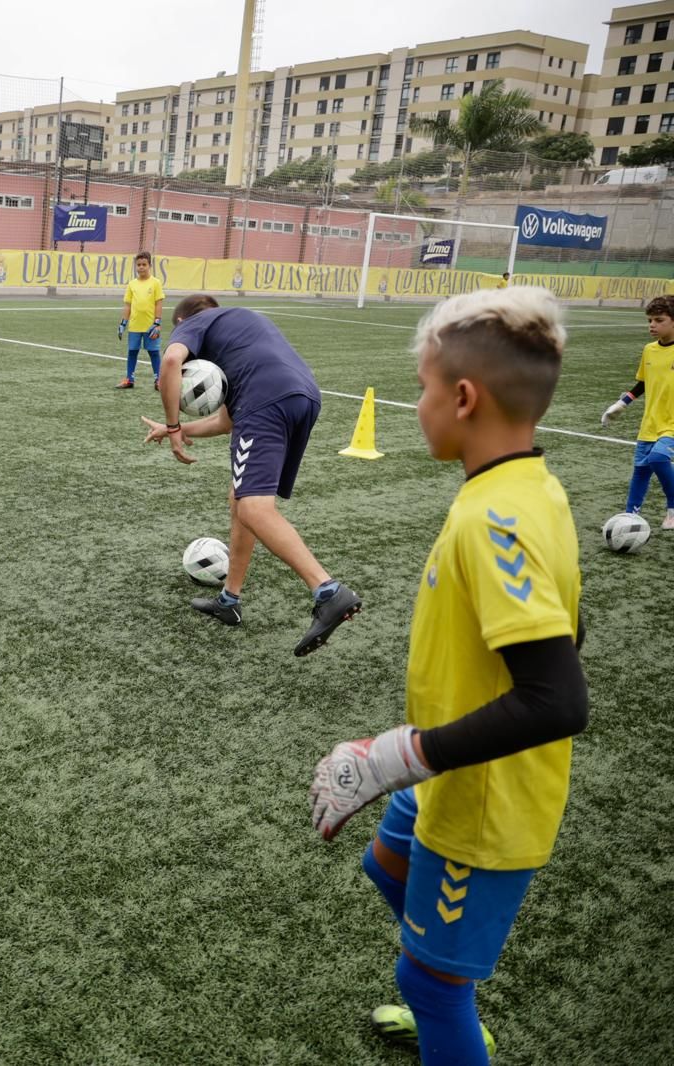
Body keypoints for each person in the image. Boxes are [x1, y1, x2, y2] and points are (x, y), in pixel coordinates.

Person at [309, 287, 589, 1065]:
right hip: (454, 782)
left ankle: (446, 1007)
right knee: (385, 862)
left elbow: (559, 699)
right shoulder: (529, 488)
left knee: (427, 984)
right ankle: (449, 998)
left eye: (422, 389)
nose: (417, 404)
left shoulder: (495, 516)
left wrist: (393, 756)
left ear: (464, 398)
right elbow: (570, 628)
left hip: (486, 805)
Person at [142, 294, 361, 656]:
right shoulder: (240, 331)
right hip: (303, 396)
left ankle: (328, 592)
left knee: (254, 509)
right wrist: (177, 432)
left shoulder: (197, 321)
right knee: (241, 499)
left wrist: (173, 422)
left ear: (183, 323)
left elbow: (169, 361)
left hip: (265, 401)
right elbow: (227, 421)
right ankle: (230, 600)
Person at [600, 294, 674, 530]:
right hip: (651, 422)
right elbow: (642, 383)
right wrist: (621, 405)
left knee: (658, 458)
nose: (652, 324)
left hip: (672, 424)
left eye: (658, 320)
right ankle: (630, 516)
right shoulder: (649, 350)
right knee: (641, 469)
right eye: (650, 320)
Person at [117, 252, 165, 390]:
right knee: (132, 351)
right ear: (135, 266)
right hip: (134, 326)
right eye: (139, 265)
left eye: (144, 264)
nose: (141, 267)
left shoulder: (156, 283)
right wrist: (123, 323)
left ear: (150, 265)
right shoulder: (132, 284)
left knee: (154, 352)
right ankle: (129, 379)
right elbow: (127, 305)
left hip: (151, 326)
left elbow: (159, 303)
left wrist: (157, 323)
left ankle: (159, 380)